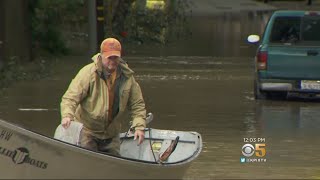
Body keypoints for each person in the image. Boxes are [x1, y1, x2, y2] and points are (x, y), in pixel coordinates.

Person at [60, 38, 146, 156]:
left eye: (115, 57)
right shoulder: (88, 73)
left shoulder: (127, 77)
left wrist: (139, 126)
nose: (113, 61)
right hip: (87, 132)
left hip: (112, 135)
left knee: (113, 168)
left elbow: (137, 104)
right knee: (89, 164)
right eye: (109, 57)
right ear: (101, 56)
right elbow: (70, 98)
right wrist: (67, 115)